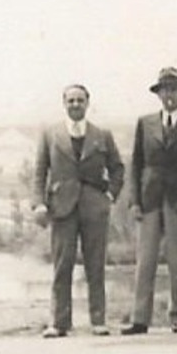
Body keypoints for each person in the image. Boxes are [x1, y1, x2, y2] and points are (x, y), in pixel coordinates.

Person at [122, 67, 177, 334]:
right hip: (150, 199)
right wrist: (134, 201)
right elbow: (136, 164)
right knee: (145, 260)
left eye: (174, 89)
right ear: (158, 93)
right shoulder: (145, 123)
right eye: (165, 89)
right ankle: (139, 319)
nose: (169, 94)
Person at [32, 84, 124, 338]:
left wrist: (110, 195)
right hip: (62, 207)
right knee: (62, 265)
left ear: (88, 103)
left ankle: (98, 320)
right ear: (64, 103)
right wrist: (39, 203)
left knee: (95, 264)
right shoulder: (50, 134)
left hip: (94, 208)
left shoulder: (101, 134)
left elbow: (117, 168)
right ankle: (59, 322)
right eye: (71, 100)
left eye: (80, 100)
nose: (75, 105)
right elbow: (40, 171)